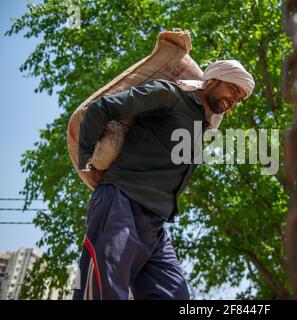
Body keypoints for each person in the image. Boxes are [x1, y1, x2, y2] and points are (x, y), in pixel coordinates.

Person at [73, 60, 255, 300]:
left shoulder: (201, 126)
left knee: (176, 297)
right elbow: (101, 108)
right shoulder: (169, 95)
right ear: (211, 81)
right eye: (233, 90)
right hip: (119, 203)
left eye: (239, 98)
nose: (234, 100)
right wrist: (87, 161)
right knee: (102, 291)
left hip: (154, 225)